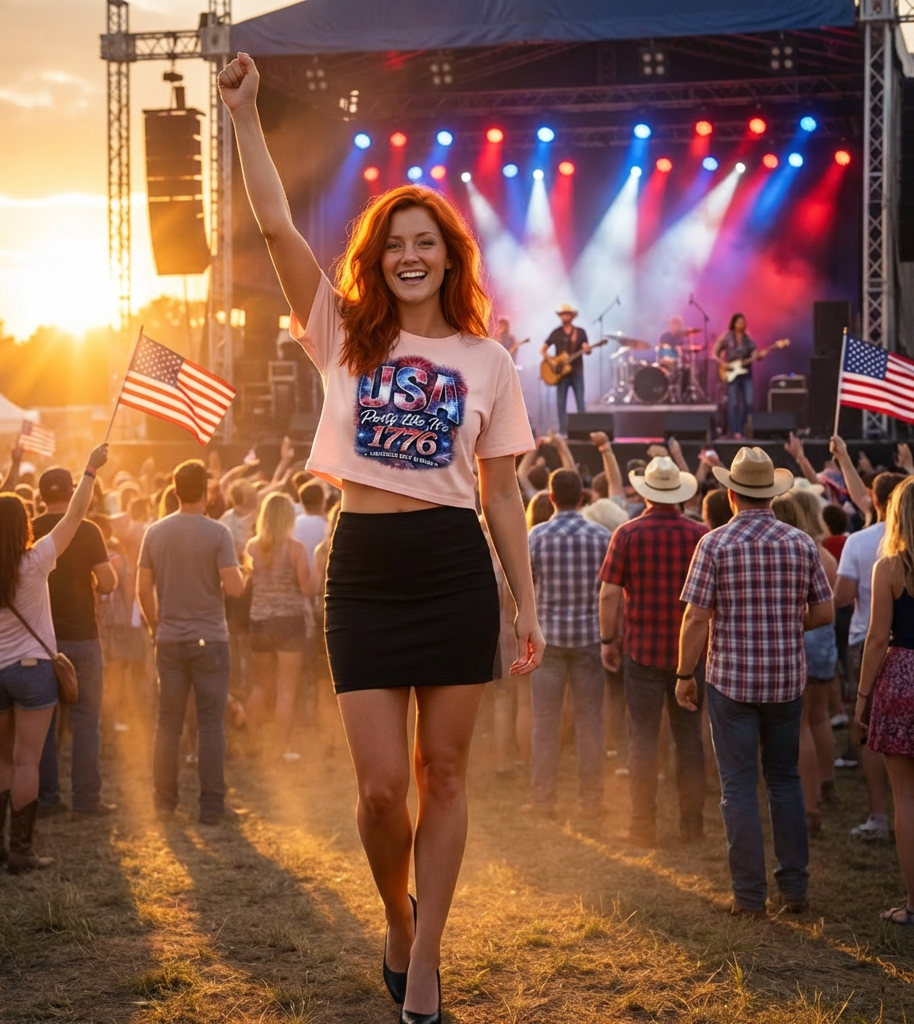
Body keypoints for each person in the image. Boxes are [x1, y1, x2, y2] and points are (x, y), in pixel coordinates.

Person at [219, 52, 541, 1024]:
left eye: (425, 241)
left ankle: (427, 957)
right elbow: (275, 224)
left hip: (451, 568)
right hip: (362, 569)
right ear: (378, 253)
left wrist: (524, 604)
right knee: (376, 791)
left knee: (444, 775)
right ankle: (396, 924)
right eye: (394, 240)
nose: (409, 254)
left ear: (449, 255)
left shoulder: (487, 361)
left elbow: (502, 496)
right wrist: (244, 115)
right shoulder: (341, 333)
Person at [676, 447, 833, 916]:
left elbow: (695, 617)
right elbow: (824, 611)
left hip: (731, 682)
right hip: (786, 679)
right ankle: (795, 889)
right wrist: (787, 623)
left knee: (738, 786)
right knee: (785, 781)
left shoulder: (715, 544)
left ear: (730, 494)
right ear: (771, 494)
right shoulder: (801, 542)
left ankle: (749, 896)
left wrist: (685, 673)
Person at [0, 443, 109, 876]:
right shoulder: (36, 560)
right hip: (31, 670)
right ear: (22, 524)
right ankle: (21, 850)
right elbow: (74, 517)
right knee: (27, 760)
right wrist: (90, 471)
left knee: (1, 759)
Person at [599, 457, 708, 847]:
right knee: (689, 739)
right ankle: (692, 826)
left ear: (646, 490)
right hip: (689, 656)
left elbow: (610, 592)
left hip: (641, 651)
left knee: (642, 740)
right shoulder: (700, 535)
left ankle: (642, 825)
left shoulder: (627, 533)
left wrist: (608, 640)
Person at [137, 460, 246, 825]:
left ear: (174, 488)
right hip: (210, 638)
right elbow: (234, 588)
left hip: (169, 639)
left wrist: (157, 626)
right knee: (211, 724)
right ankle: (212, 806)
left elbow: (141, 590)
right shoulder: (218, 534)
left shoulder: (155, 532)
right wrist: (244, 571)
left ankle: (164, 802)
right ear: (205, 491)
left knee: (167, 723)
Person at [32, 467, 119, 816]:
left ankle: (48, 797)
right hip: (83, 635)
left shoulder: (30, 529)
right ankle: (86, 798)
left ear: (41, 496)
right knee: (86, 720)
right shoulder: (88, 530)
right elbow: (108, 583)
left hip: (41, 637)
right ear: (72, 493)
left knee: (44, 722)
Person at [527, 469, 610, 820]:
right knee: (590, 721)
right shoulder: (602, 536)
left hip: (548, 640)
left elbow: (523, 588)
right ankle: (591, 802)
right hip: (591, 638)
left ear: (550, 497)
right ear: (582, 497)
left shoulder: (537, 536)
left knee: (545, 722)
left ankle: (544, 800)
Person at [835, 460, 906, 840]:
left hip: (876, 646)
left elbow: (846, 601)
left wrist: (863, 698)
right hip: (896, 649)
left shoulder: (867, 547)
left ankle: (878, 814)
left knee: (874, 737)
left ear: (876, 501)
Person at [856, 476, 914, 925]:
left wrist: (861, 699)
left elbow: (876, 638)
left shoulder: (889, 568)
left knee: (906, 799)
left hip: (902, 678)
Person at [245, 492, 314, 760]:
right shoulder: (296, 548)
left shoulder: (251, 547)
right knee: (286, 689)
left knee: (260, 686)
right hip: (289, 621)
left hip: (260, 620)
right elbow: (307, 588)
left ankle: (251, 742)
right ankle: (280, 748)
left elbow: (247, 583)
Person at [788, 487, 840, 834]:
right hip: (824, 640)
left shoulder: (796, 550)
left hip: (803, 635)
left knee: (802, 725)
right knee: (820, 718)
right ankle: (827, 781)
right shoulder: (823, 553)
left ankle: (809, 807)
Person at [541, 303, 592, 428]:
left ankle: (582, 430)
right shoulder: (556, 333)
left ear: (572, 316)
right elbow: (543, 349)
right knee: (560, 403)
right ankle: (563, 431)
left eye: (567, 314)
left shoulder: (580, 332)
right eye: (563, 314)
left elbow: (588, 351)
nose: (565, 317)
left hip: (577, 372)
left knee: (580, 402)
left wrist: (587, 349)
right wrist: (551, 361)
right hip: (561, 374)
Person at [712, 313, 758, 439]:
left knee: (749, 402)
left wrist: (755, 356)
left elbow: (755, 352)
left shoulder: (748, 339)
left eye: (743, 322)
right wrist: (723, 364)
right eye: (739, 322)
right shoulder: (726, 337)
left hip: (745, 373)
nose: (741, 324)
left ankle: (744, 428)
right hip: (732, 372)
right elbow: (714, 352)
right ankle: (735, 431)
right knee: (733, 404)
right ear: (734, 323)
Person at [293, 479, 327, 566]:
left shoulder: (292, 525)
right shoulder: (327, 528)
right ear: (323, 501)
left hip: (296, 576)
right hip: (320, 576)